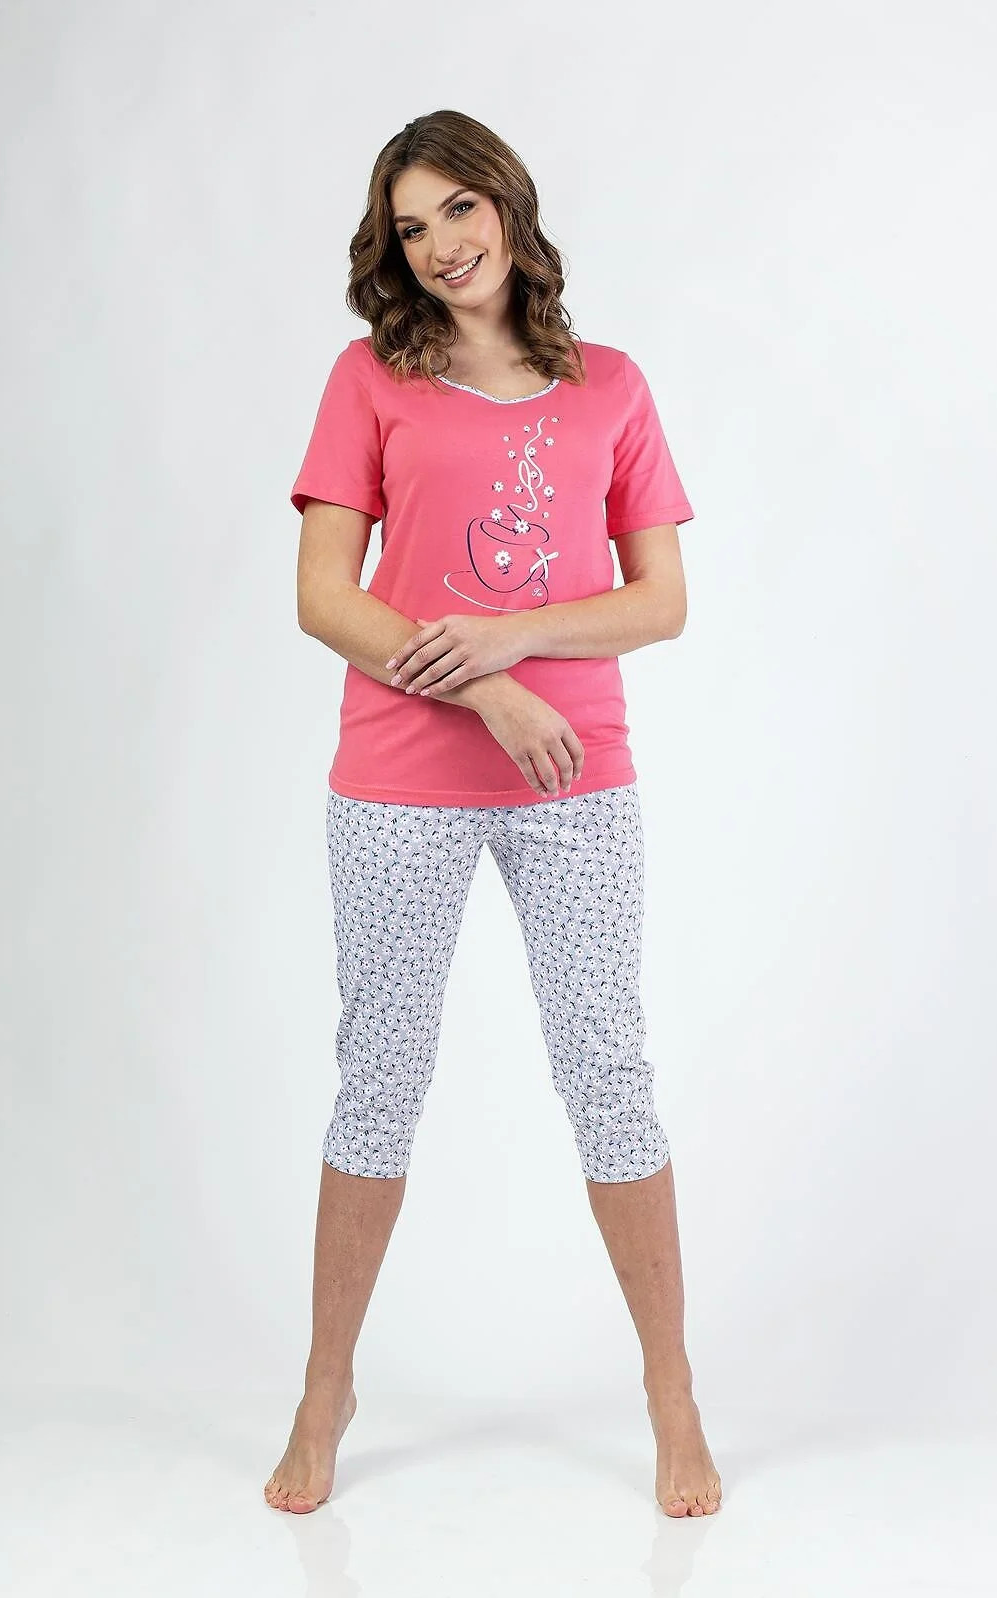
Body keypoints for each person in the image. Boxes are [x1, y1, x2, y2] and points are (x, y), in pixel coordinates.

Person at [264, 109, 723, 1520]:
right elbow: (324, 596)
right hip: (398, 779)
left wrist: (515, 641)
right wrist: (488, 692)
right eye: (410, 227)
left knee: (608, 1071)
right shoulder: (369, 380)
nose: (441, 244)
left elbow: (660, 600)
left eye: (457, 209)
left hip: (576, 780)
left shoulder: (612, 387)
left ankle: (671, 1391)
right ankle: (325, 1388)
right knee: (379, 1073)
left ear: (508, 206)